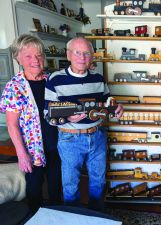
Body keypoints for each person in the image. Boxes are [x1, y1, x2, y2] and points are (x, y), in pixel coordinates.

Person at [44, 37, 123, 210]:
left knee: (98, 181)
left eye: (87, 53)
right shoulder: (54, 79)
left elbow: (107, 103)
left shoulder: (98, 78)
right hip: (69, 139)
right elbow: (47, 115)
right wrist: (66, 118)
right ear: (68, 55)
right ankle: (73, 219)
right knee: (70, 185)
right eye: (77, 52)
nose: (82, 57)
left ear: (92, 56)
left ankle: (96, 216)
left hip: (97, 135)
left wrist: (116, 107)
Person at [0, 34, 61, 213]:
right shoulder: (14, 87)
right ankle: (35, 217)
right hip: (32, 149)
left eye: (39, 55)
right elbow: (12, 124)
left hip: (58, 144)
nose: (35, 60)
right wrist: (21, 154)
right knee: (34, 188)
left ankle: (57, 217)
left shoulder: (53, 80)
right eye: (28, 56)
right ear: (18, 58)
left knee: (57, 185)